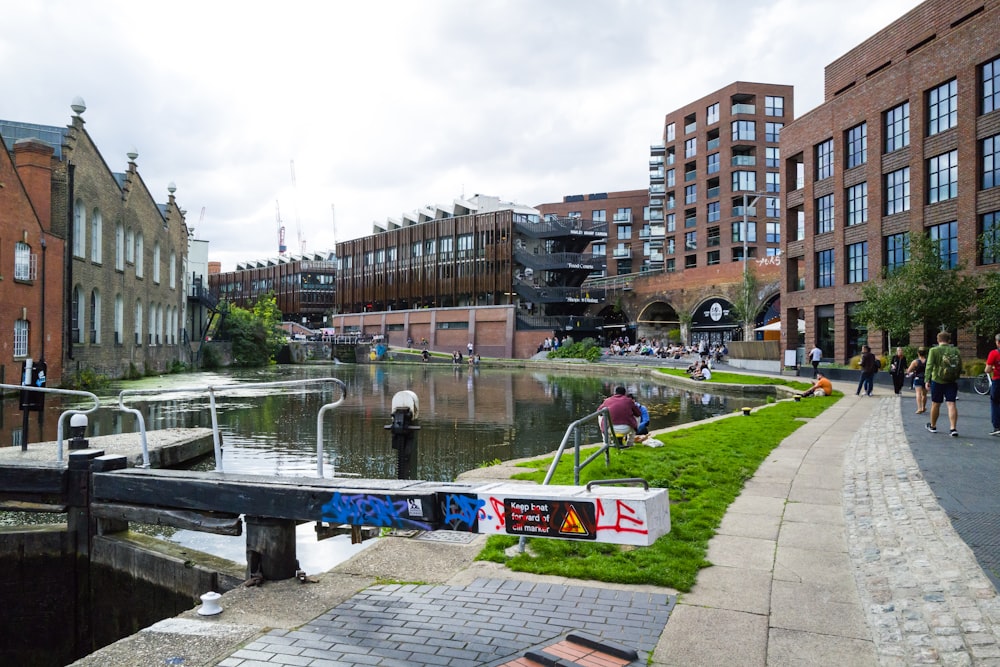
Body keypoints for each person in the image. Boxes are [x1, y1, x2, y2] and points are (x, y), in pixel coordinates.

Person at [925, 331, 962, 437]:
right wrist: (956, 376)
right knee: (951, 404)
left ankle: (933, 426)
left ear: (938, 340)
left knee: (936, 404)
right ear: (949, 340)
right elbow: (960, 365)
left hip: (937, 380)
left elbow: (929, 365)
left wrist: (927, 380)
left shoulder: (934, 350)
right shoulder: (955, 350)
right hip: (951, 381)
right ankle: (953, 428)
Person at [985, 334, 1000, 436]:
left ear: (998, 342)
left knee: (995, 403)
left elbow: (987, 369)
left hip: (998, 380)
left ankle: (997, 426)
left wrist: (994, 368)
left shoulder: (994, 353)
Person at [905, 347, 928, 414]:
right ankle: (923, 407)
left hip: (918, 378)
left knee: (918, 393)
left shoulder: (915, 362)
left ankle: (919, 408)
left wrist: (910, 372)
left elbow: (908, 370)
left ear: (918, 353)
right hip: (925, 378)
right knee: (924, 394)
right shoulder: (928, 361)